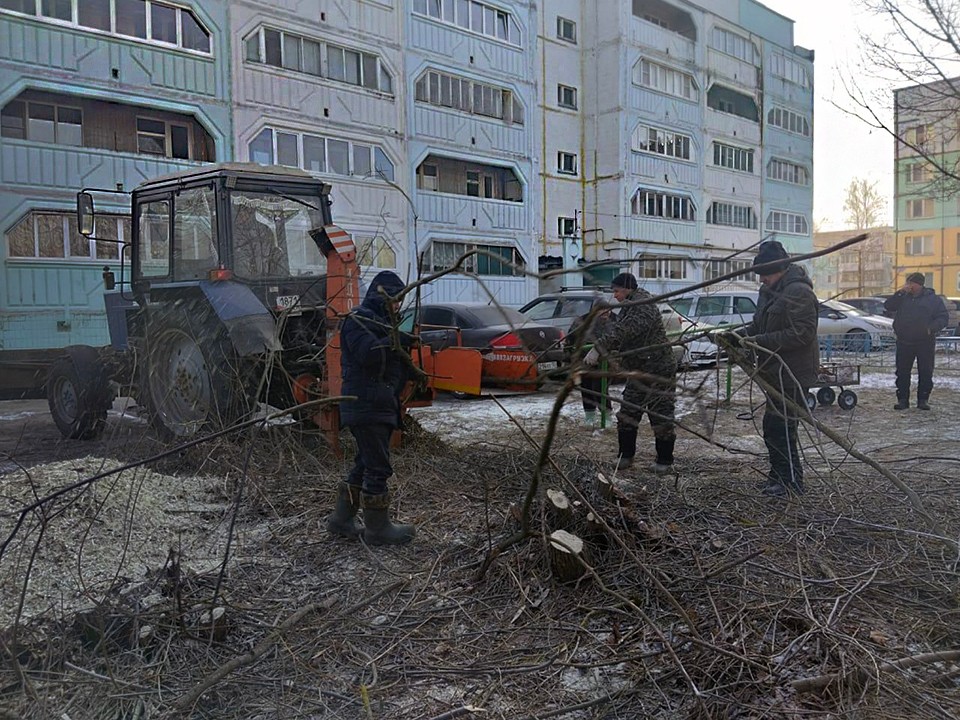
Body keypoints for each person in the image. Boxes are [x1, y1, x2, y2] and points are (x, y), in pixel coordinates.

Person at [722, 240, 818, 497]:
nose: (762, 279)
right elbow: (759, 326)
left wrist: (758, 341)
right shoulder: (769, 291)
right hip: (773, 370)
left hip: (793, 373)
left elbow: (802, 334)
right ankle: (779, 476)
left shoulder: (799, 292)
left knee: (781, 427)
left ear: (781, 269)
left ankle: (791, 482)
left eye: (765, 274)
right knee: (773, 426)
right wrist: (735, 335)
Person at [326, 270, 416, 545]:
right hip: (364, 404)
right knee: (378, 467)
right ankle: (378, 529)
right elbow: (368, 355)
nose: (398, 305)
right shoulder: (358, 321)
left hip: (378, 403)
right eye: (394, 299)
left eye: (401, 300)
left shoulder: (384, 323)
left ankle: (341, 520)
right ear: (381, 296)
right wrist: (395, 342)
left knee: (365, 463)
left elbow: (391, 366)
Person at [585, 273, 676, 474]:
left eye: (616, 291)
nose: (614, 296)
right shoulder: (630, 304)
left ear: (627, 289)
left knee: (660, 414)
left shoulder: (642, 305)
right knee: (628, 413)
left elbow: (624, 331)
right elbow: (619, 331)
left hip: (658, 369)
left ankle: (664, 461)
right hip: (639, 370)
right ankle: (625, 456)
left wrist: (599, 348)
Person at [883, 272, 948, 410]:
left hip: (925, 341)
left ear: (919, 284)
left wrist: (931, 329)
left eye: (912, 283)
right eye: (908, 283)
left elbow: (942, 317)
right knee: (902, 372)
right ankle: (902, 400)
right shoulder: (903, 297)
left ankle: (923, 399)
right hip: (904, 340)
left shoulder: (933, 299)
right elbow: (888, 306)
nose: (909, 286)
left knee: (925, 371)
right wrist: (900, 293)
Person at [567, 307, 616, 427]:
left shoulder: (615, 320)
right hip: (585, 360)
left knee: (599, 387)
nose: (606, 313)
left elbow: (617, 339)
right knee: (587, 387)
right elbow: (571, 339)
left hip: (605, 361)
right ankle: (589, 417)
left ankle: (607, 416)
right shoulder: (584, 321)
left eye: (608, 311)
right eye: (602, 311)